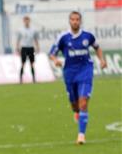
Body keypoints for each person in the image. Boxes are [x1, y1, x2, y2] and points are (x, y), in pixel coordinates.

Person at [49, 11, 107, 145]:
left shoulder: (88, 36)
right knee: (75, 105)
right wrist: (55, 60)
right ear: (69, 21)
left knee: (83, 103)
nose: (75, 22)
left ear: (80, 21)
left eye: (77, 20)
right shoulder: (63, 37)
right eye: (73, 19)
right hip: (69, 73)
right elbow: (52, 53)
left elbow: (97, 47)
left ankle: (81, 135)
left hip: (85, 71)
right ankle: (77, 112)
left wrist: (102, 60)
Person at [16, 16, 39, 84]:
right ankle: (20, 79)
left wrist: (37, 47)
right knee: (23, 63)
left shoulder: (33, 30)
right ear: (23, 21)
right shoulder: (21, 30)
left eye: (28, 20)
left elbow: (35, 39)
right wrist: (17, 48)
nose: (27, 22)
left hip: (31, 48)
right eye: (25, 20)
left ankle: (34, 79)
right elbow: (18, 40)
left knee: (32, 63)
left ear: (29, 21)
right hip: (24, 48)